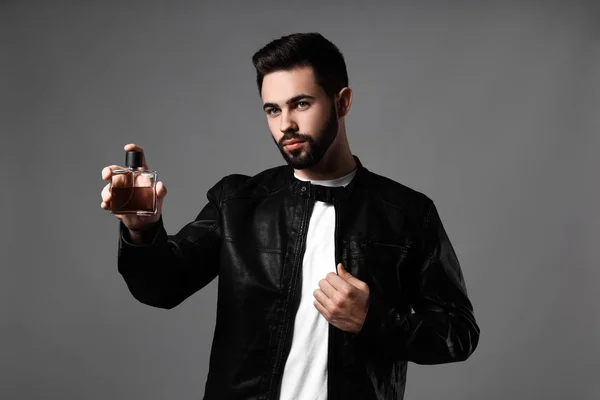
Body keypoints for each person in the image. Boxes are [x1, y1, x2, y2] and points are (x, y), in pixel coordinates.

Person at [100, 32, 480, 400]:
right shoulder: (237, 203)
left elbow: (458, 333)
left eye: (301, 104)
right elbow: (161, 288)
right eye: (272, 109)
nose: (286, 125)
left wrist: (374, 319)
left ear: (342, 101)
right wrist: (142, 229)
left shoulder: (407, 213)